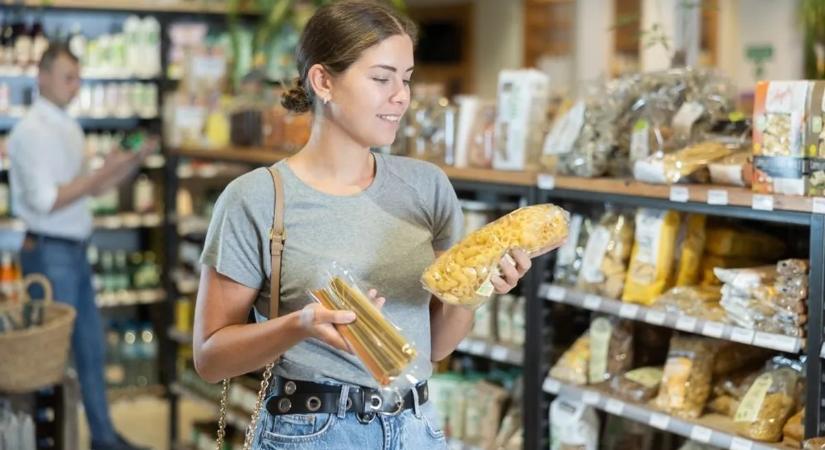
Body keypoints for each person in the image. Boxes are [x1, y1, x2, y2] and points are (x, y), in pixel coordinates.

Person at [193, 1, 557, 448]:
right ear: (323, 81)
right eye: (382, 78)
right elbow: (210, 358)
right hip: (310, 432)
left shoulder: (427, 187)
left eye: (405, 79)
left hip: (417, 428)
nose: (401, 96)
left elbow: (436, 348)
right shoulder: (256, 198)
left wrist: (477, 290)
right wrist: (300, 325)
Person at [7, 43, 154, 450]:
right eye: (68, 77)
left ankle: (104, 438)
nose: (77, 85)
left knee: (91, 349)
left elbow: (96, 188)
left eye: (78, 77)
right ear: (42, 77)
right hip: (48, 251)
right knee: (50, 358)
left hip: (74, 249)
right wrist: (100, 174)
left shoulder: (68, 127)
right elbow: (46, 200)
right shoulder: (29, 132)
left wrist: (130, 161)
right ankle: (48, 439)